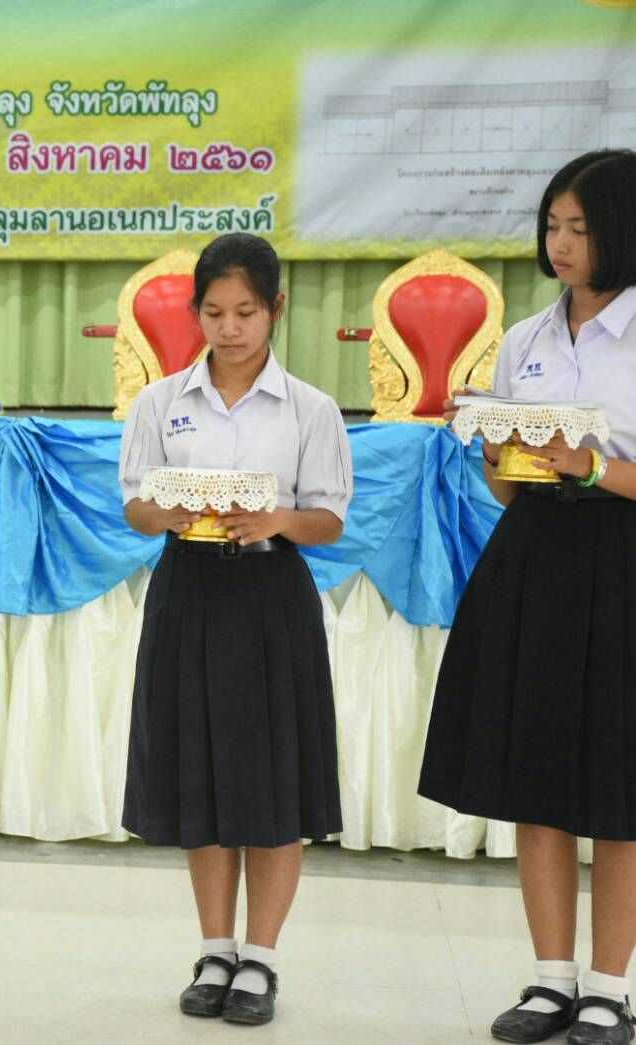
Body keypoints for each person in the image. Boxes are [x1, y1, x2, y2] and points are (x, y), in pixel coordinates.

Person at [419, 148, 636, 1045]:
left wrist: (590, 466)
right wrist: (495, 445)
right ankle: (551, 980)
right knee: (536, 775)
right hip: (535, 559)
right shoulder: (525, 340)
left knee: (619, 788)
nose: (560, 243)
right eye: (552, 225)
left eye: (579, 227)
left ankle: (610, 989)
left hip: (621, 561)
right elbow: (508, 488)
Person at [118, 232, 352, 1027]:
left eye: (245, 312)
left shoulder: (310, 408)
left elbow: (327, 519)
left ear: (275, 308)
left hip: (268, 595)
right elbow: (134, 503)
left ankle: (261, 956)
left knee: (273, 777)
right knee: (200, 771)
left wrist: (276, 517)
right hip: (187, 590)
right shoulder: (160, 403)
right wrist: (166, 511)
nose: (229, 328)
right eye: (213, 312)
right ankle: (214, 948)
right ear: (195, 312)